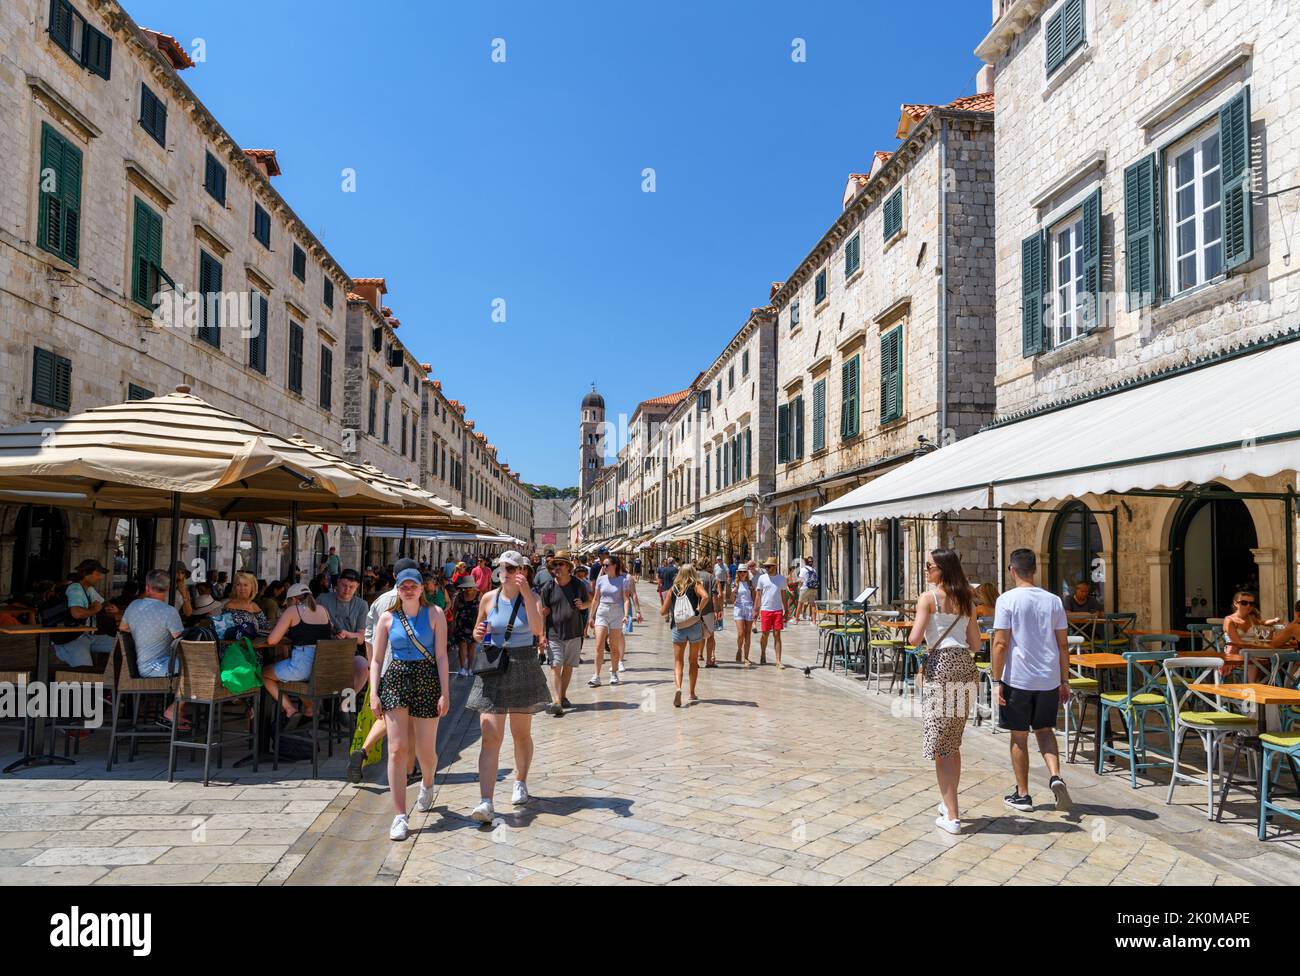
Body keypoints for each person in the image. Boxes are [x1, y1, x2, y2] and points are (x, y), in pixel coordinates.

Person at [467, 551, 550, 823]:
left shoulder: (533, 598)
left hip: (523, 663)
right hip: (494, 666)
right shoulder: (488, 598)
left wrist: (527, 595)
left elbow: (538, 630)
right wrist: (477, 633)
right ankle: (486, 801)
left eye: (514, 567)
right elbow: (478, 630)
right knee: (490, 735)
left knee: (520, 733)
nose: (508, 571)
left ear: (523, 571)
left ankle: (520, 781)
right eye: (504, 566)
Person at [370, 567, 449, 841]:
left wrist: (445, 692)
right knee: (396, 749)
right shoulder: (387, 618)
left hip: (427, 679)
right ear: (397, 588)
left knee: (426, 751)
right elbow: (377, 659)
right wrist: (373, 692)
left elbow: (441, 656)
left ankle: (428, 783)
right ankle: (400, 815)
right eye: (403, 585)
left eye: (413, 585)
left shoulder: (435, 615)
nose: (408, 589)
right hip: (396, 678)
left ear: (421, 587)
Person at [991, 549, 1072, 813]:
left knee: (1019, 736)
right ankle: (1055, 776)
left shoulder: (1006, 600)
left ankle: (1023, 794)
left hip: (1019, 679)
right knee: (1045, 731)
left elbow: (1001, 643)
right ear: (1034, 570)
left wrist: (996, 680)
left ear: (1012, 570)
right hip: (1048, 678)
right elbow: (1063, 645)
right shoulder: (1054, 601)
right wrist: (1064, 680)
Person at [909, 549, 983, 835]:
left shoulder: (928, 599)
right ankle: (948, 803)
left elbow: (915, 639)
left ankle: (952, 816)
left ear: (941, 569)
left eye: (929, 566)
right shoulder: (967, 599)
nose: (926, 570)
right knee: (952, 741)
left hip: (941, 667)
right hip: (965, 667)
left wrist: (921, 630)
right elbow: (976, 644)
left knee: (941, 745)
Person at [348, 558, 423, 785]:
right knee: (406, 719)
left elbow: (369, 639)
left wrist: (373, 669)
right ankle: (408, 769)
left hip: (382, 667)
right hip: (406, 666)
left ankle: (362, 752)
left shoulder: (379, 601)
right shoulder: (412, 600)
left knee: (390, 715)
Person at [118, 568, 187, 729]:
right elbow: (182, 642)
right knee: (197, 670)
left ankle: (178, 712)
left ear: (147, 587)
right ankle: (173, 712)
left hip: (141, 665)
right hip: (155, 667)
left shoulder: (134, 605)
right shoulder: (169, 612)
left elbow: (123, 627)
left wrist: (143, 632)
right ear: (169, 589)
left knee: (191, 669)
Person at [261, 582, 333, 728]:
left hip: (302, 667)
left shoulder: (293, 610)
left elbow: (272, 640)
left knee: (264, 674)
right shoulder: (323, 610)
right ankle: (310, 708)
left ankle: (290, 709)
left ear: (293, 600)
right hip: (321, 670)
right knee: (290, 677)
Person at [538, 551, 590, 716]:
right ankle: (556, 701)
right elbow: (543, 612)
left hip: (574, 632)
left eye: (560, 564)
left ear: (568, 567)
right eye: (555, 565)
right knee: (555, 664)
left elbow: (590, 600)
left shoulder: (577, 584)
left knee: (568, 666)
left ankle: (562, 695)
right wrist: (541, 634)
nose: (557, 568)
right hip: (554, 633)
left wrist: (583, 605)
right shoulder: (549, 587)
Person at [52, 560, 118, 668]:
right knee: (86, 674)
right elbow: (77, 613)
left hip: (88, 636)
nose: (100, 577)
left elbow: (103, 603)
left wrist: (109, 608)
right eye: (97, 574)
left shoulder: (89, 589)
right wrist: (95, 610)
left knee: (123, 645)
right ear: (86, 574)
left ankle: (111, 678)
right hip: (72, 638)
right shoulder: (75, 589)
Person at [317, 568, 371, 697]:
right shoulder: (322, 599)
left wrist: (347, 634)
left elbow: (361, 638)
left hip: (349, 652)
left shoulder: (361, 605)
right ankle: (313, 708)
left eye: (351, 587)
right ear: (337, 583)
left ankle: (345, 703)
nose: (347, 590)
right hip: (322, 650)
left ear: (357, 587)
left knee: (363, 667)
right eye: (344, 585)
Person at [660, 564, 709, 708]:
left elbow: (663, 612)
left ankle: (678, 688)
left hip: (678, 626)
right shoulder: (696, 584)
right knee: (693, 661)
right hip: (693, 625)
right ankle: (692, 693)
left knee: (678, 661)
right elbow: (705, 596)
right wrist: (698, 609)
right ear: (693, 573)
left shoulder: (673, 589)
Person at [586, 554, 638, 685]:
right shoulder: (601, 580)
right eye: (603, 565)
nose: (604, 567)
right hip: (602, 611)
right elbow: (596, 599)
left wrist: (626, 615)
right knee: (599, 645)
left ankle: (614, 673)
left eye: (606, 565)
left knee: (614, 646)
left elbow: (626, 599)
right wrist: (590, 617)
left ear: (614, 566)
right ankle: (596, 676)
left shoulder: (623, 580)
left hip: (616, 612)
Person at [754, 558, 787, 668]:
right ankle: (763, 653)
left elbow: (783, 596)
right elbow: (758, 595)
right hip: (765, 610)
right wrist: (756, 610)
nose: (767, 568)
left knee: (777, 635)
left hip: (777, 610)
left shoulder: (781, 579)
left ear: (775, 566)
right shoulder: (762, 578)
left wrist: (786, 610)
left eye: (769, 566)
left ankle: (778, 660)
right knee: (765, 635)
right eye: (766, 567)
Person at [694, 558, 718, 667]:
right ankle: (709, 661)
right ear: (707, 565)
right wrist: (717, 610)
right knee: (710, 635)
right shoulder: (711, 577)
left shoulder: (693, 576)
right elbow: (714, 595)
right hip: (708, 609)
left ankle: (695, 660)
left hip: (695, 609)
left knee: (695, 635)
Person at [731, 565, 755, 667]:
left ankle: (746, 657)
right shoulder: (735, 583)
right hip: (739, 608)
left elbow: (753, 598)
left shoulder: (750, 583)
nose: (742, 574)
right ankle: (739, 649)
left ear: (747, 573)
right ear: (738, 573)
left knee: (748, 633)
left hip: (749, 608)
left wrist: (755, 610)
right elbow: (732, 600)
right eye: (740, 572)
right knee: (741, 633)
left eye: (744, 572)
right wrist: (733, 591)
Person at [796, 557, 818, 621]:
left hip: (805, 588)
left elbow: (801, 580)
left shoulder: (803, 569)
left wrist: (799, 587)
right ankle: (814, 620)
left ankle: (796, 619)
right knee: (813, 604)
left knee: (800, 603)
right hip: (813, 588)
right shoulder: (814, 570)